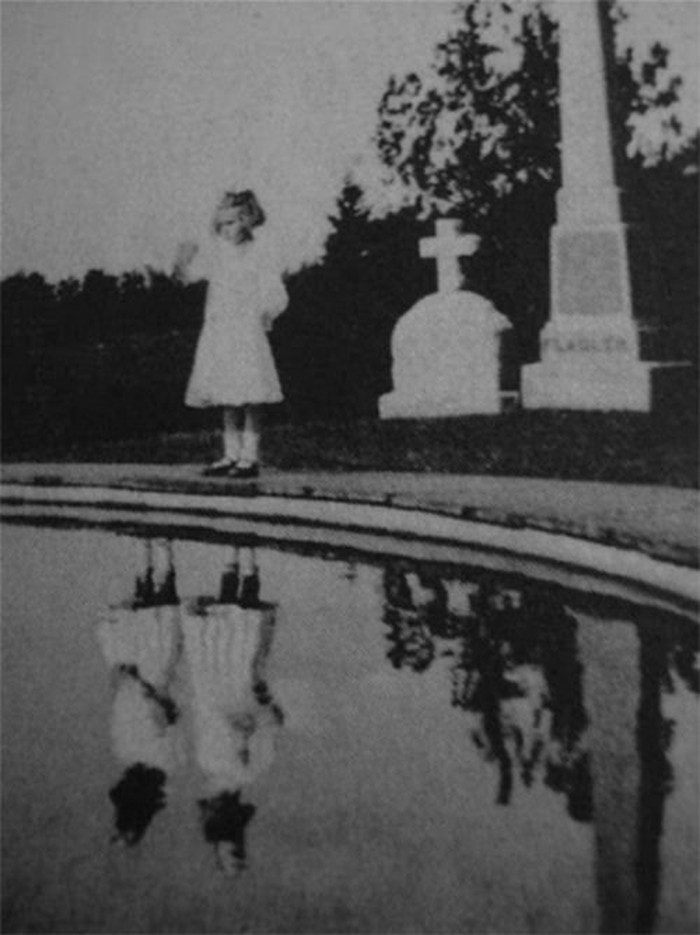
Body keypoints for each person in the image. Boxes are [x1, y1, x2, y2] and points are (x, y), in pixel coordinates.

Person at [175, 189, 288, 479]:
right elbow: (189, 277)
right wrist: (183, 260)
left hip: (245, 331)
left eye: (232, 222)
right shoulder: (218, 254)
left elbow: (274, 291)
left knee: (250, 396)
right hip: (221, 330)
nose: (226, 230)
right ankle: (230, 454)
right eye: (221, 224)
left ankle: (250, 457)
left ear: (247, 220)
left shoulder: (259, 253)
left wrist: (262, 312)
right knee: (227, 395)